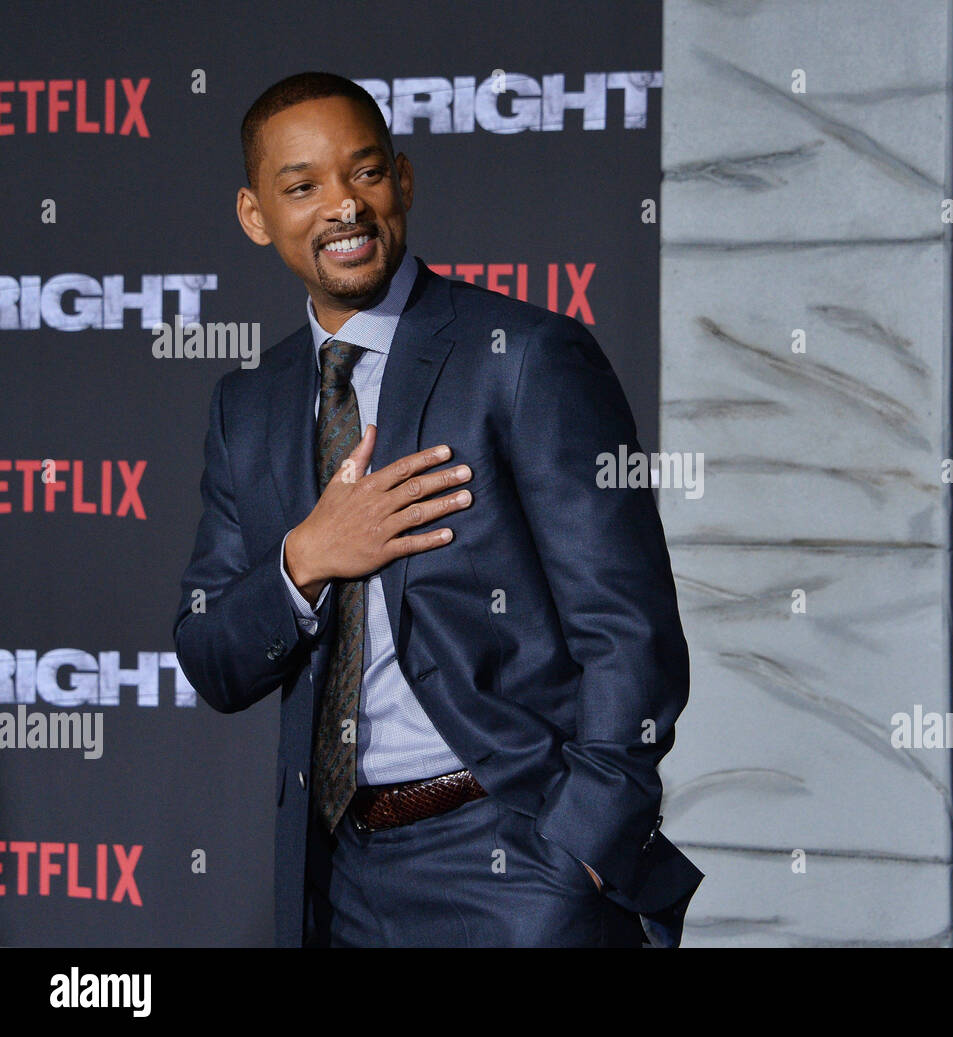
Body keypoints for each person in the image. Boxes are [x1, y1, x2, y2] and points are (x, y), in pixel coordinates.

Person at [172, 71, 702, 948]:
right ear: (255, 215)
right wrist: (305, 559)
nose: (342, 205)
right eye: (302, 186)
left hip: (516, 858)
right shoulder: (249, 404)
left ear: (403, 181)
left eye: (365, 173)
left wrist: (584, 847)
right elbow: (211, 656)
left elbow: (629, 626)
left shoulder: (524, 356)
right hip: (337, 872)